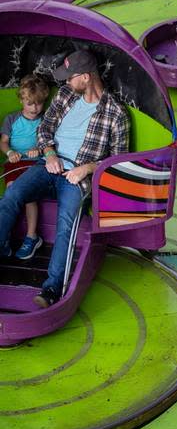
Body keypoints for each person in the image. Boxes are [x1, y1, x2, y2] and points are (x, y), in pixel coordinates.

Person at [0, 49, 128, 308]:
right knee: (11, 196)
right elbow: (45, 128)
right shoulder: (66, 95)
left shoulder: (115, 114)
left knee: (66, 224)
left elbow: (119, 162)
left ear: (85, 77)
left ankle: (51, 289)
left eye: (70, 77)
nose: (66, 82)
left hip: (77, 178)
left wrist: (88, 168)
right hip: (47, 165)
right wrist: (48, 154)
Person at [0, 75, 50, 260]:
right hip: (14, 163)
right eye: (30, 103)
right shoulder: (11, 118)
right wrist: (9, 152)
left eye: (38, 103)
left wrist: (39, 150)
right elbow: (3, 142)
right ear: (22, 100)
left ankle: (31, 237)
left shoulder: (45, 120)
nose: (34, 108)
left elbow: (49, 144)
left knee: (28, 196)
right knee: (11, 192)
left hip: (34, 164)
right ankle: (4, 238)